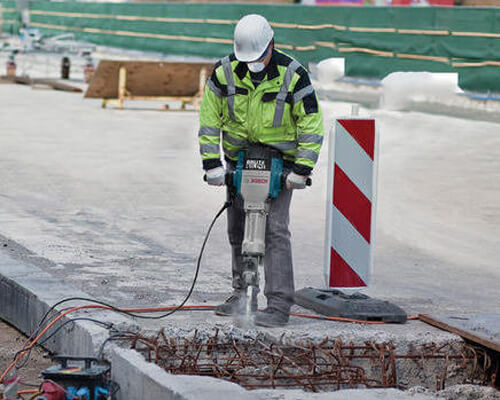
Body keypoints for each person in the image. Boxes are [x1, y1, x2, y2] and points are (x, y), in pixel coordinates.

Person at [198, 14, 323, 327]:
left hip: (280, 166)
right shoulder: (224, 72)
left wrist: (301, 171)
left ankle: (279, 304)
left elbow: (311, 124)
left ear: (272, 44)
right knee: (237, 229)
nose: (253, 63)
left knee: (275, 231)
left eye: (259, 56)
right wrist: (212, 165)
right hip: (238, 162)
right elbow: (209, 120)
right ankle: (241, 293)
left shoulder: (294, 75)